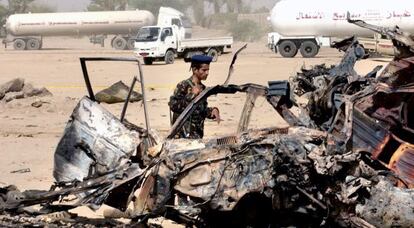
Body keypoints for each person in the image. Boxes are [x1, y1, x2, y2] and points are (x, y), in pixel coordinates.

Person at [168, 55, 220, 139]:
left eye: (208, 70)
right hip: (182, 137)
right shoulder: (183, 85)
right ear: (195, 70)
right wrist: (191, 95)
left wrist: (212, 111)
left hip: (197, 136)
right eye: (204, 70)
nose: (207, 73)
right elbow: (173, 106)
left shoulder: (203, 88)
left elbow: (200, 110)